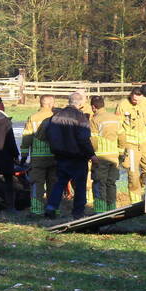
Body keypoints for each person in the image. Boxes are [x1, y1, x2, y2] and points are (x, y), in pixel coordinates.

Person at [44, 92, 96, 220]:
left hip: (61, 156)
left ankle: (51, 207)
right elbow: (84, 139)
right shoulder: (80, 117)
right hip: (78, 157)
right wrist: (91, 154)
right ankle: (78, 212)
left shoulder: (56, 116)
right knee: (79, 186)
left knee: (60, 183)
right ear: (81, 103)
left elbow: (48, 134)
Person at [20, 94, 57, 216]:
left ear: (41, 103)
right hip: (55, 157)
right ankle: (53, 209)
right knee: (54, 184)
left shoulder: (33, 117)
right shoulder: (56, 116)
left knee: (37, 184)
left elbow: (27, 137)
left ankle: (37, 210)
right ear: (51, 104)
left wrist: (24, 156)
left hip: (38, 158)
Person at [90, 95, 126, 212]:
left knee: (99, 183)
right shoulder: (115, 118)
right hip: (114, 157)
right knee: (111, 183)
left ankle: (100, 211)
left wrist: (92, 154)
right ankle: (112, 210)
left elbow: (93, 140)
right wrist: (120, 152)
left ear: (93, 107)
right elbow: (122, 136)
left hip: (100, 157)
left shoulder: (95, 120)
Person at [117, 86, 146, 204]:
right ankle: (135, 202)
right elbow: (118, 125)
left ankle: (144, 190)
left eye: (138, 99)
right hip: (130, 145)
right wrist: (121, 145)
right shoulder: (123, 105)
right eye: (133, 99)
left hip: (144, 143)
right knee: (133, 173)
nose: (135, 101)